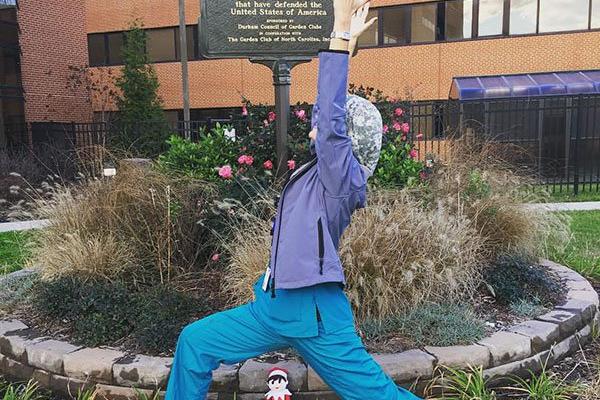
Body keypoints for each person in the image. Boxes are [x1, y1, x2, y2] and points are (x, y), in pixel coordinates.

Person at [165, 1, 422, 399]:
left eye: (328, 123)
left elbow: (332, 119)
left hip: (316, 318)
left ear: (346, 140)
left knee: (377, 395)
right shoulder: (320, 172)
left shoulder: (342, 178)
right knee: (194, 342)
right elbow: (329, 113)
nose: (316, 121)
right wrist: (349, 43)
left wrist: (338, 33)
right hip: (273, 308)